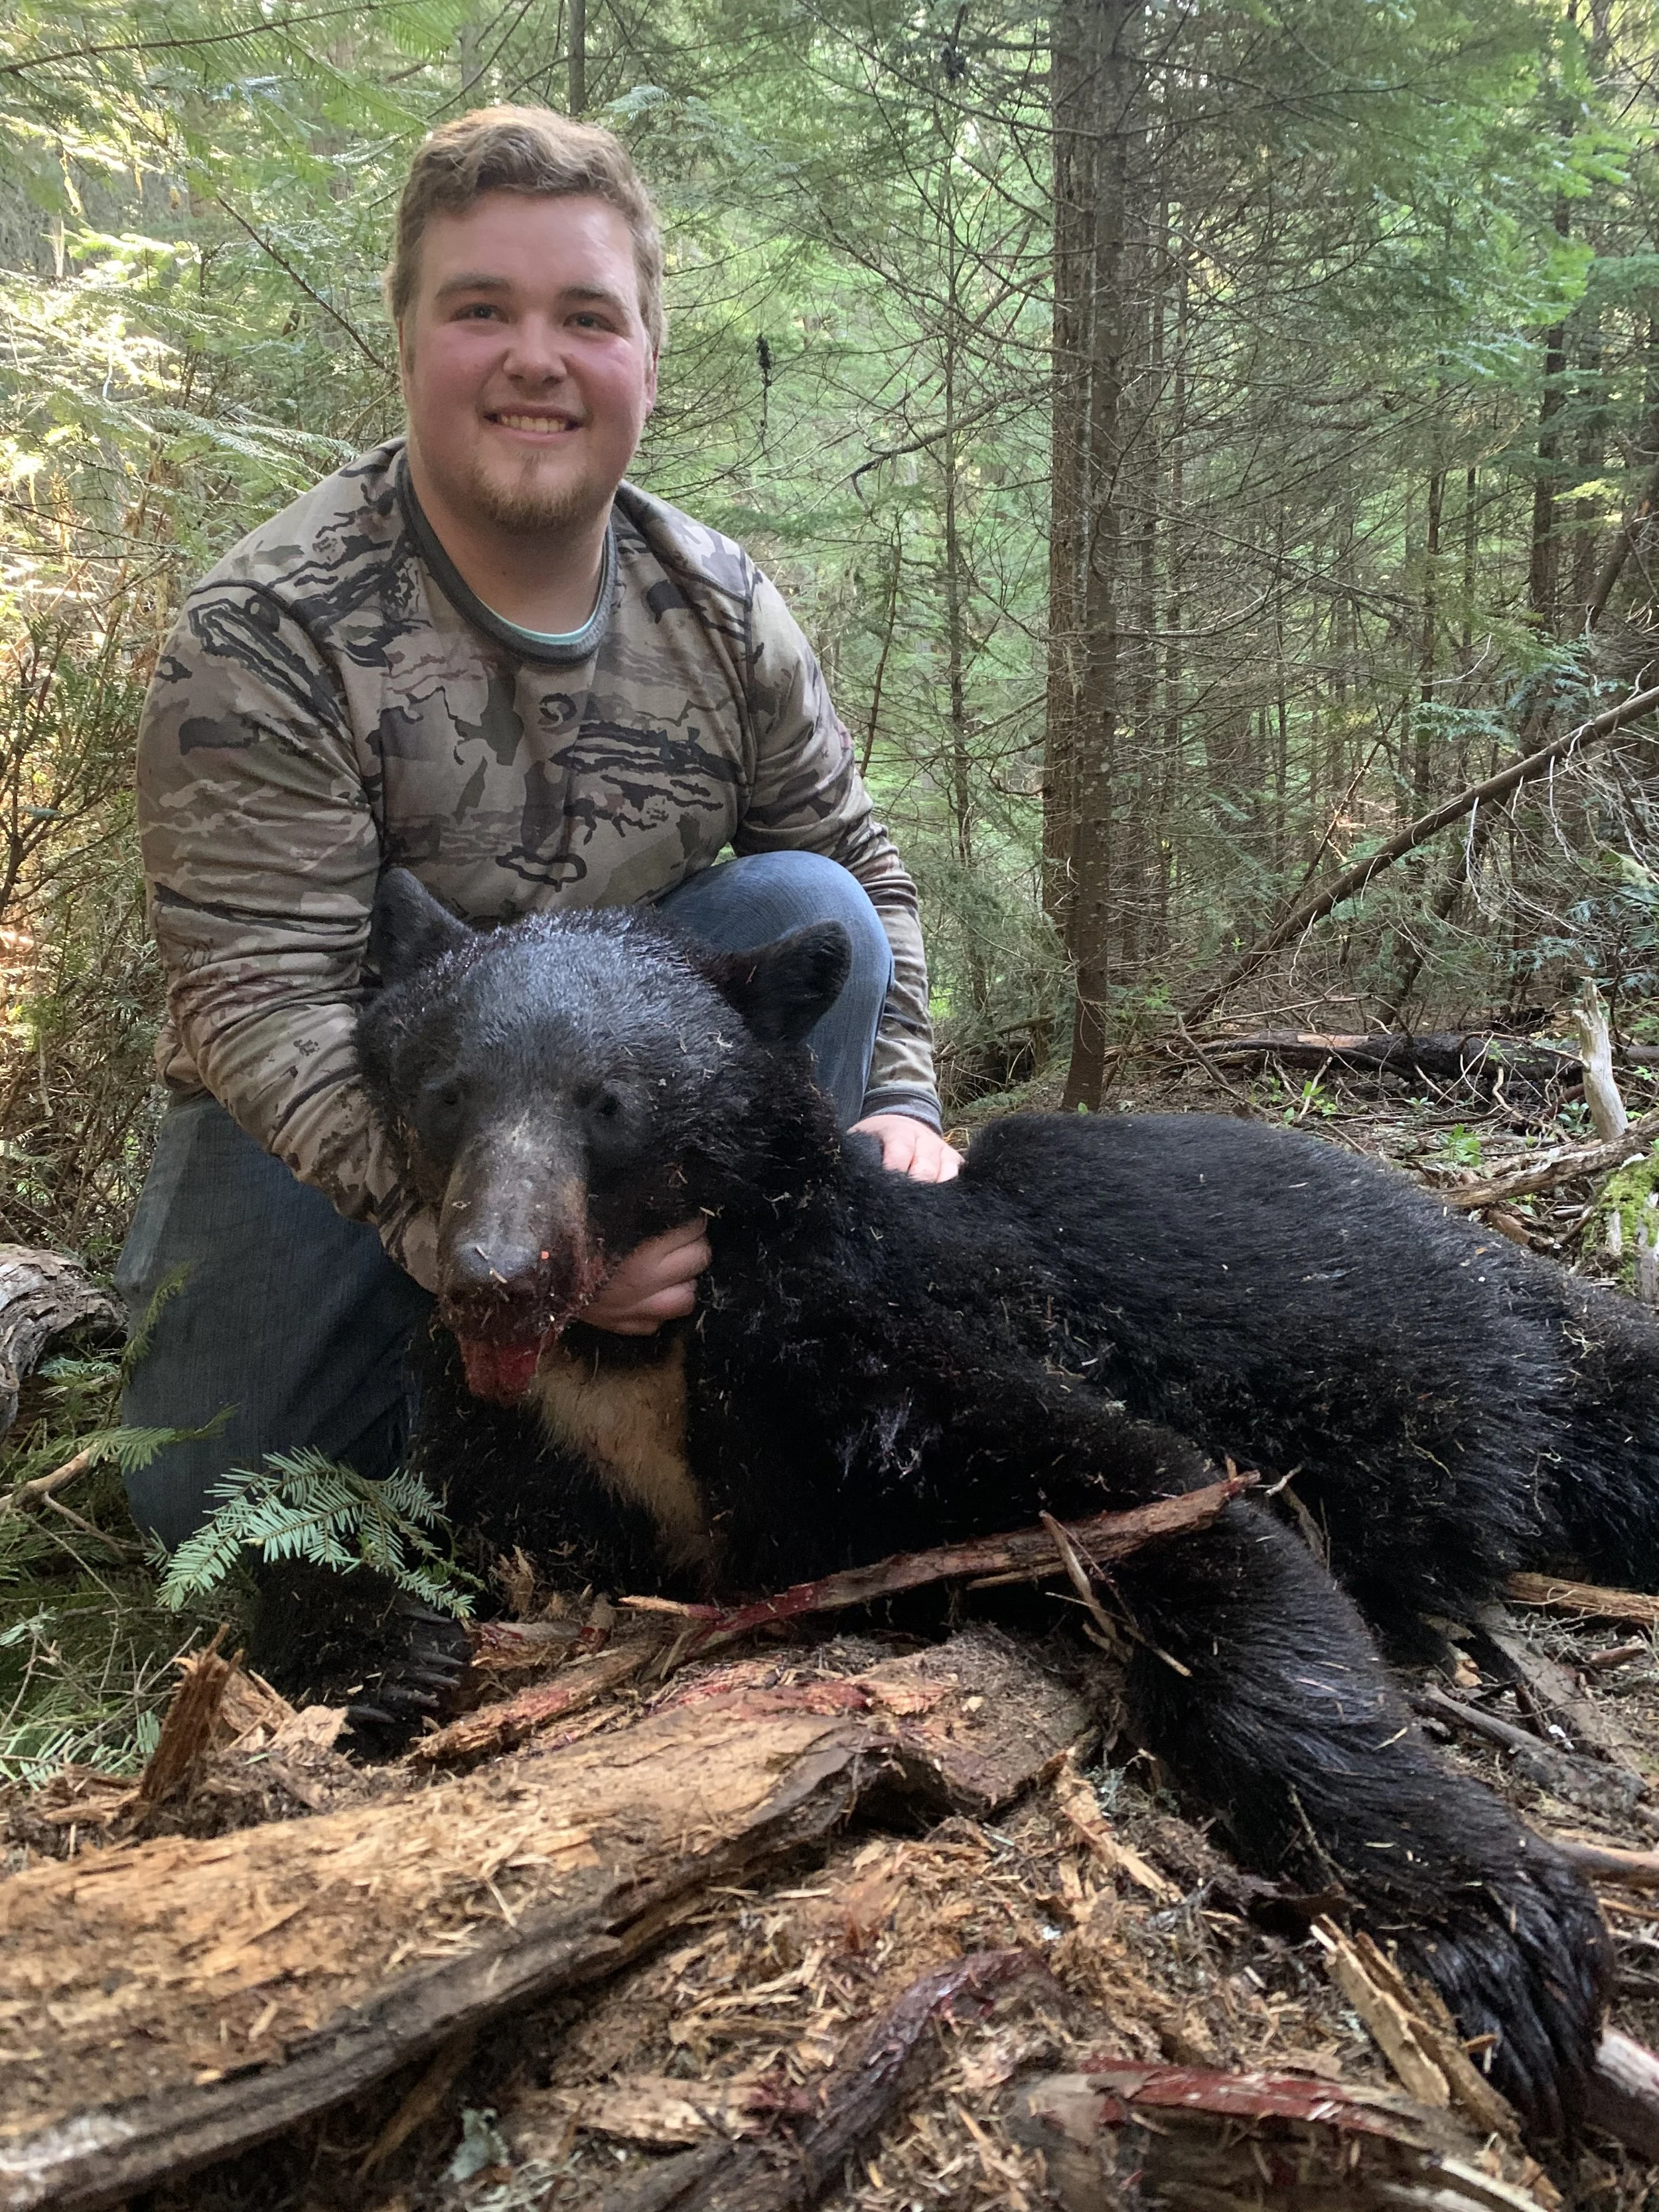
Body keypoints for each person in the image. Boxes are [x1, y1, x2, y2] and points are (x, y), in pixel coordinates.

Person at [118, 104, 958, 1553]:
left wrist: (901, 1103)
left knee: (793, 898)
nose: (535, 357)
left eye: (585, 314)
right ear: (406, 339)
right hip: (353, 1120)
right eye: (480, 309)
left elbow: (861, 872)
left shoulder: (717, 606)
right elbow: (258, 1005)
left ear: (644, 355)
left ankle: (737, 1388)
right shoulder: (271, 631)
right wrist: (479, 1240)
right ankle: (488, 1398)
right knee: (214, 1497)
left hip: (625, 1117)